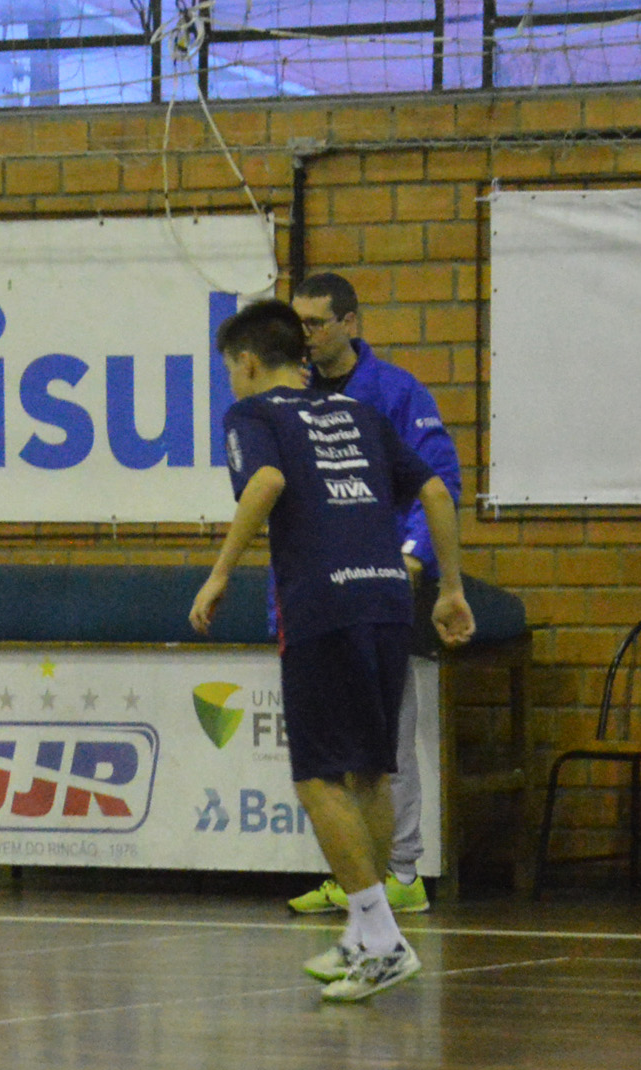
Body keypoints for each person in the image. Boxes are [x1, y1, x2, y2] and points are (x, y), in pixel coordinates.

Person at [190, 299, 472, 1002]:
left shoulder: (253, 417)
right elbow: (435, 487)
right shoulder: (357, 411)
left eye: (230, 367)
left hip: (321, 605)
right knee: (368, 774)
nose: (231, 379)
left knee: (317, 778)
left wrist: (221, 570)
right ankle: (363, 929)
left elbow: (266, 482)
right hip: (385, 598)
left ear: (247, 362)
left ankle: (378, 936)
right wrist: (451, 588)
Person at [281, 271, 463, 917]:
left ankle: (401, 871)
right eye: (295, 323)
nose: (303, 335)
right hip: (316, 596)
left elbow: (436, 482)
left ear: (350, 322)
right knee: (330, 751)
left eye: (315, 322)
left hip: (379, 592)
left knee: (383, 740)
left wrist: (415, 561)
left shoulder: (393, 392)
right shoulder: (288, 398)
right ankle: (356, 877)